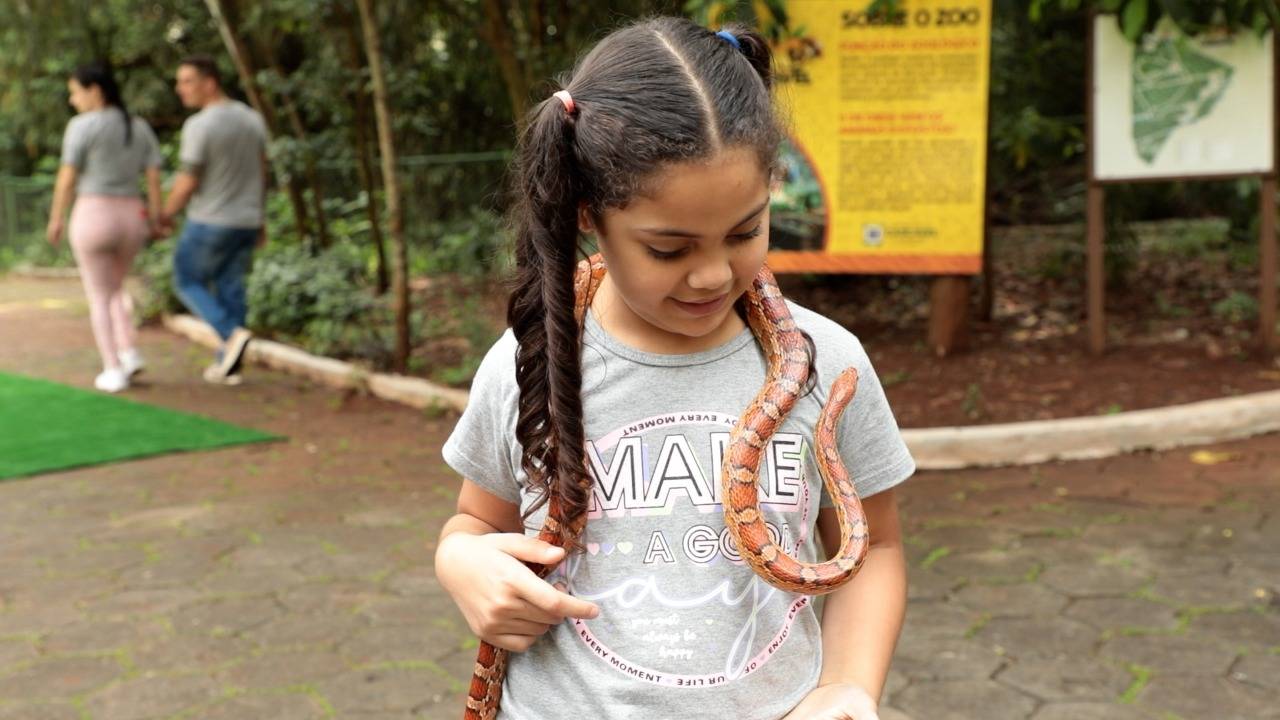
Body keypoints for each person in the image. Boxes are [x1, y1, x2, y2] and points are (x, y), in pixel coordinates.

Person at [434, 18, 915, 720]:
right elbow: (475, 522)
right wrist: (462, 565)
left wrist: (848, 684)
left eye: (746, 231)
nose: (714, 273)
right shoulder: (528, 361)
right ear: (590, 217)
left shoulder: (826, 360)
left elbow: (874, 548)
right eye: (669, 249)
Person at [46, 62, 163, 393]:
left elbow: (67, 177)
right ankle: (129, 350)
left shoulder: (82, 126)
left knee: (99, 294)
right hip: (131, 218)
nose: (72, 100)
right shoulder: (138, 127)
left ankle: (112, 368)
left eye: (75, 92)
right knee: (115, 286)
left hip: (93, 214)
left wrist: (56, 217)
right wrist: (156, 218)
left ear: (94, 90)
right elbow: (153, 177)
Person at [159, 55, 268, 386]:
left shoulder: (200, 125)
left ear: (210, 82)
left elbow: (189, 178)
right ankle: (228, 365)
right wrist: (260, 217)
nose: (180, 89)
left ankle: (230, 334)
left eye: (187, 81)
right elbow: (262, 172)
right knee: (229, 284)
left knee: (185, 278)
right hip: (246, 219)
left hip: (211, 220)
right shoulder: (253, 119)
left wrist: (165, 214)